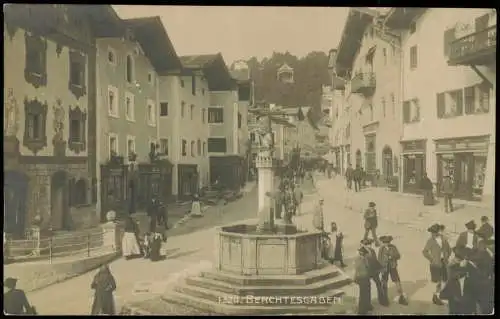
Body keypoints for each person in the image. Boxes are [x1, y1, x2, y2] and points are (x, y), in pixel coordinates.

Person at [439, 246, 477, 314]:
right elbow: (452, 274)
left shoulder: (470, 266)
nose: (466, 257)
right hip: (455, 292)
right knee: (454, 309)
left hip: (463, 295)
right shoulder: (454, 264)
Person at [422, 223, 451, 306]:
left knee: (445, 280)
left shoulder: (443, 239)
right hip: (435, 264)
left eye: (434, 232)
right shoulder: (430, 241)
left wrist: (446, 256)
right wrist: (431, 259)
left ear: (437, 232)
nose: (433, 234)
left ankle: (436, 295)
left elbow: (449, 249)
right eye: (431, 232)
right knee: (436, 281)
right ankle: (436, 296)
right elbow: (424, 251)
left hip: (443, 262)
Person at [378, 235, 408, 305]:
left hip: (392, 267)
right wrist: (380, 270)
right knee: (384, 283)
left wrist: (392, 257)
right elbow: (379, 260)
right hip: (384, 268)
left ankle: (401, 298)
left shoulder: (393, 247)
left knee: (397, 281)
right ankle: (384, 299)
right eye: (385, 242)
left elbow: (398, 256)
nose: (387, 243)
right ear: (383, 242)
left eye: (388, 242)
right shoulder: (381, 249)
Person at [361, 238, 387, 306]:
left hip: (374, 271)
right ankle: (368, 304)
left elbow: (375, 261)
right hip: (367, 272)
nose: (369, 245)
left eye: (370, 244)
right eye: (367, 244)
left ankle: (382, 300)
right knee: (367, 288)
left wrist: (381, 269)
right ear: (364, 245)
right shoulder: (362, 252)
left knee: (379, 285)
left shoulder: (372, 251)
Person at [354, 246, 373, 315]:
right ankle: (362, 310)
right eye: (363, 253)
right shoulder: (360, 259)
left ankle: (367, 306)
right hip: (363, 278)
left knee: (366, 292)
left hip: (365, 277)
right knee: (363, 294)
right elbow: (358, 269)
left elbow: (357, 270)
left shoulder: (362, 258)